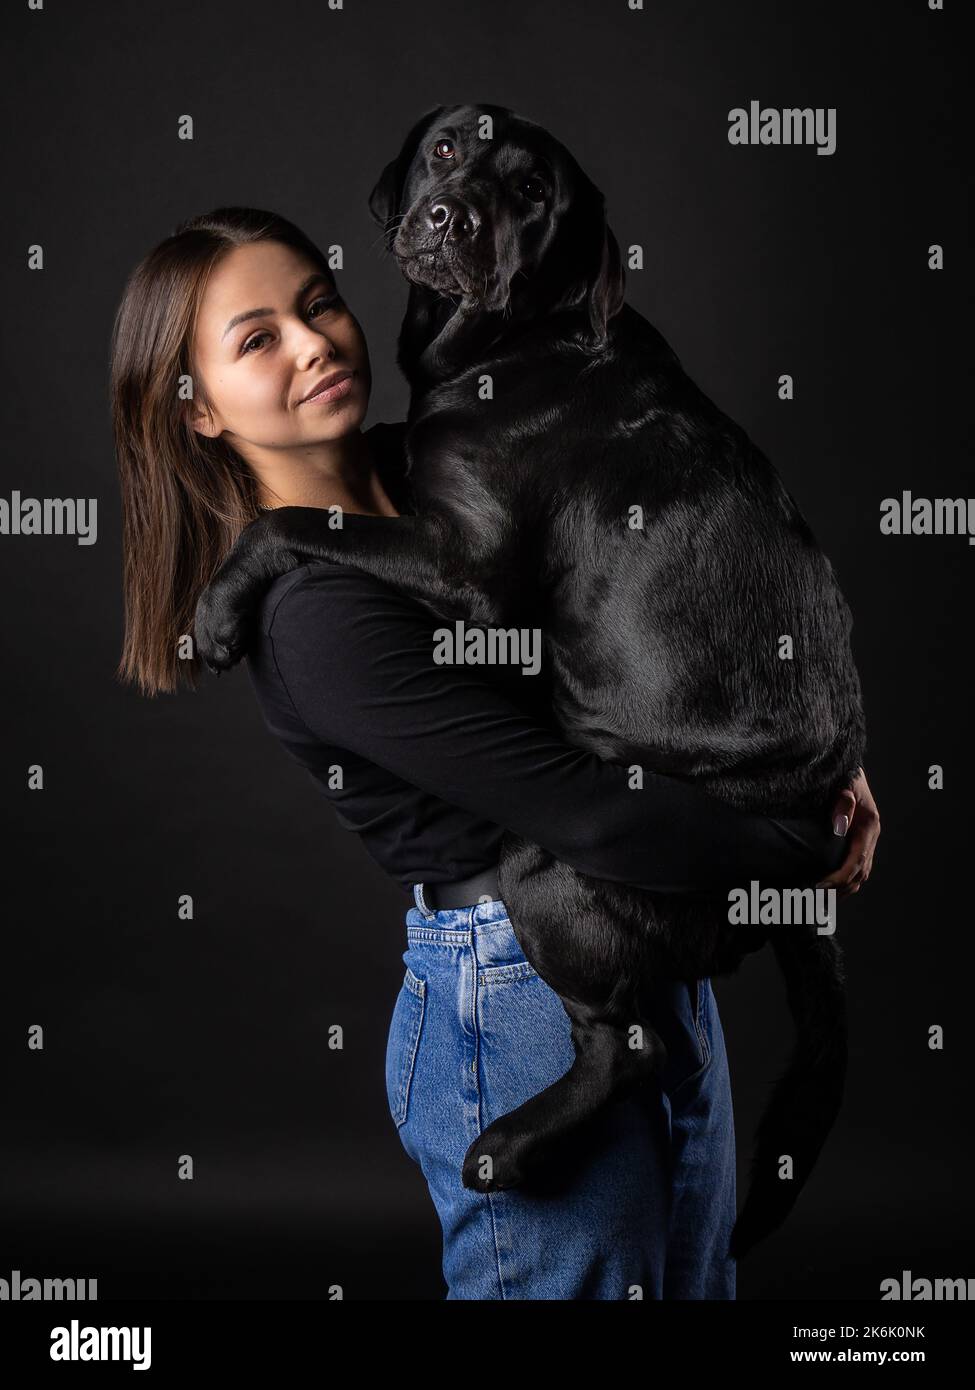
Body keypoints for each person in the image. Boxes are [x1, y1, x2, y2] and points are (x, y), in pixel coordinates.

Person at [111, 206, 880, 1300]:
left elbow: (662, 613)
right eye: (258, 339)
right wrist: (795, 850)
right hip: (521, 994)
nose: (315, 342)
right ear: (195, 412)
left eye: (318, 301)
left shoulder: (448, 463)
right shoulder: (313, 617)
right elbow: (581, 806)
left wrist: (810, 758)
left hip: (643, 951)